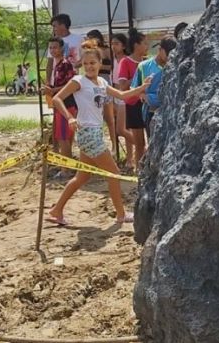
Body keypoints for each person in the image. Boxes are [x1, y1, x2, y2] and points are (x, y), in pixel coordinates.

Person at [47, 40, 153, 225]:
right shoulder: (78, 81)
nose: (89, 67)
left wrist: (142, 88)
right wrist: (70, 118)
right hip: (87, 133)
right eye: (86, 63)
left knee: (82, 176)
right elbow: (57, 99)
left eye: (93, 63)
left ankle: (56, 210)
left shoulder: (102, 82)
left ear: (99, 63)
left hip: (95, 133)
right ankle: (121, 214)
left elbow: (121, 95)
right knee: (113, 173)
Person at [44, 36, 77, 173]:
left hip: (66, 104)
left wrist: (52, 90)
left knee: (64, 137)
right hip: (60, 104)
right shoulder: (57, 65)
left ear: (62, 48)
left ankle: (66, 169)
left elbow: (70, 85)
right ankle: (66, 167)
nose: (53, 50)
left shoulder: (65, 64)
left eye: (55, 47)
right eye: (50, 47)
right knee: (64, 137)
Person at [120, 28, 149, 168]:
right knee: (139, 143)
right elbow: (122, 86)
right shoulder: (126, 62)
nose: (146, 47)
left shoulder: (148, 62)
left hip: (148, 104)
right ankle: (139, 172)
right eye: (144, 43)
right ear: (136, 45)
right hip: (133, 104)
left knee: (150, 140)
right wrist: (138, 77)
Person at [134, 36, 175, 132]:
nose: (170, 57)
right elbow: (134, 88)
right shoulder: (144, 66)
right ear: (160, 49)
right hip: (151, 112)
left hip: (171, 112)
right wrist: (145, 97)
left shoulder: (176, 65)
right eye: (167, 54)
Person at [111, 33, 135, 169]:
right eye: (112, 44)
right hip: (117, 95)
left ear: (124, 46)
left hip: (126, 96)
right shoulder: (115, 60)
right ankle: (130, 158)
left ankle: (138, 150)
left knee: (122, 129)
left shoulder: (126, 60)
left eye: (117, 44)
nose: (113, 46)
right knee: (122, 129)